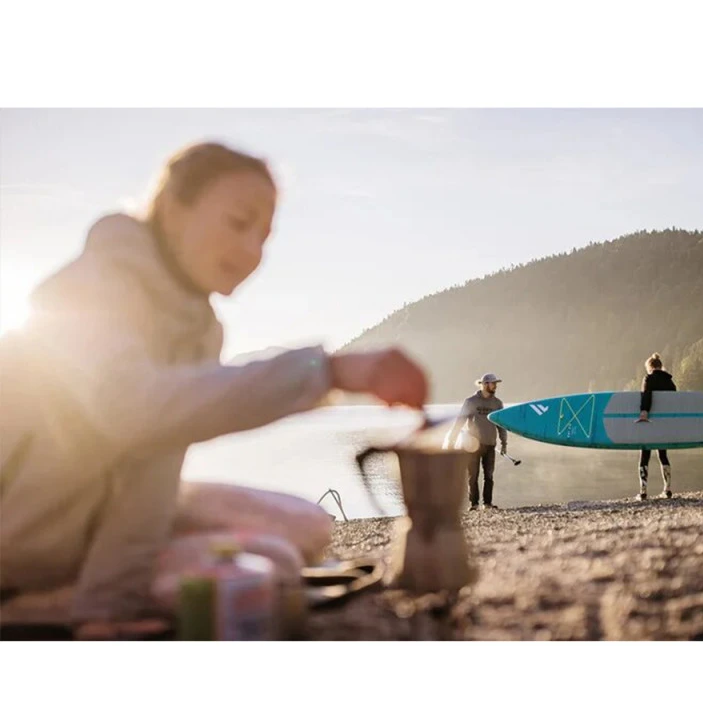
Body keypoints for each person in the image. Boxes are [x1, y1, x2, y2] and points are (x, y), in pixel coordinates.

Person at [0, 141, 428, 639]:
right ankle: (31, 605)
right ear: (172, 208)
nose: (252, 251)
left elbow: (154, 460)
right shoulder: (90, 289)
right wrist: (327, 371)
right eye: (238, 223)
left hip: (100, 513)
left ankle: (91, 593)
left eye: (263, 237)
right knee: (270, 568)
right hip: (26, 531)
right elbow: (133, 411)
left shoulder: (199, 327)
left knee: (306, 527)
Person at [447, 373, 508, 510]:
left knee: (489, 476)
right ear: (485, 384)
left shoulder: (497, 403)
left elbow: (501, 425)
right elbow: (460, 421)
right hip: (472, 445)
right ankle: (474, 504)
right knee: (472, 476)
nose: (495, 386)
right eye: (493, 383)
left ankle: (487, 503)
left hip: (490, 444)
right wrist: (452, 439)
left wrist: (504, 443)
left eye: (496, 383)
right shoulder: (471, 402)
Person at [634, 352, 676, 500]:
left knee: (645, 454)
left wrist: (644, 411)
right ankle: (667, 489)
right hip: (664, 425)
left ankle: (643, 492)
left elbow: (646, 395)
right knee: (663, 455)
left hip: (650, 422)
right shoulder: (670, 382)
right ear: (660, 366)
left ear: (650, 367)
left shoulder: (649, 378)